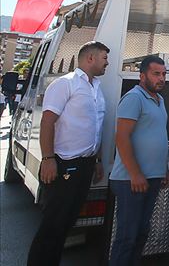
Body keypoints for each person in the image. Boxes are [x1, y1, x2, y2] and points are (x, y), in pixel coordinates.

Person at [27, 42, 109, 266]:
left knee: (67, 223)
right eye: (104, 58)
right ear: (90, 58)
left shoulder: (96, 88)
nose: (107, 63)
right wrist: (48, 159)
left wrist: (98, 160)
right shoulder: (65, 84)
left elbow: (96, 126)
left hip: (86, 164)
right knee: (53, 225)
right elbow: (47, 122)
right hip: (64, 164)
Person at [109, 55, 169, 266]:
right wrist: (135, 173)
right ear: (142, 75)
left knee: (141, 232)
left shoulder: (159, 100)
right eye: (156, 74)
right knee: (127, 235)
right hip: (130, 180)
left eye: (163, 74)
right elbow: (122, 137)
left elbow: (156, 135)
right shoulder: (134, 98)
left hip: (152, 178)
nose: (161, 78)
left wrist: (163, 169)